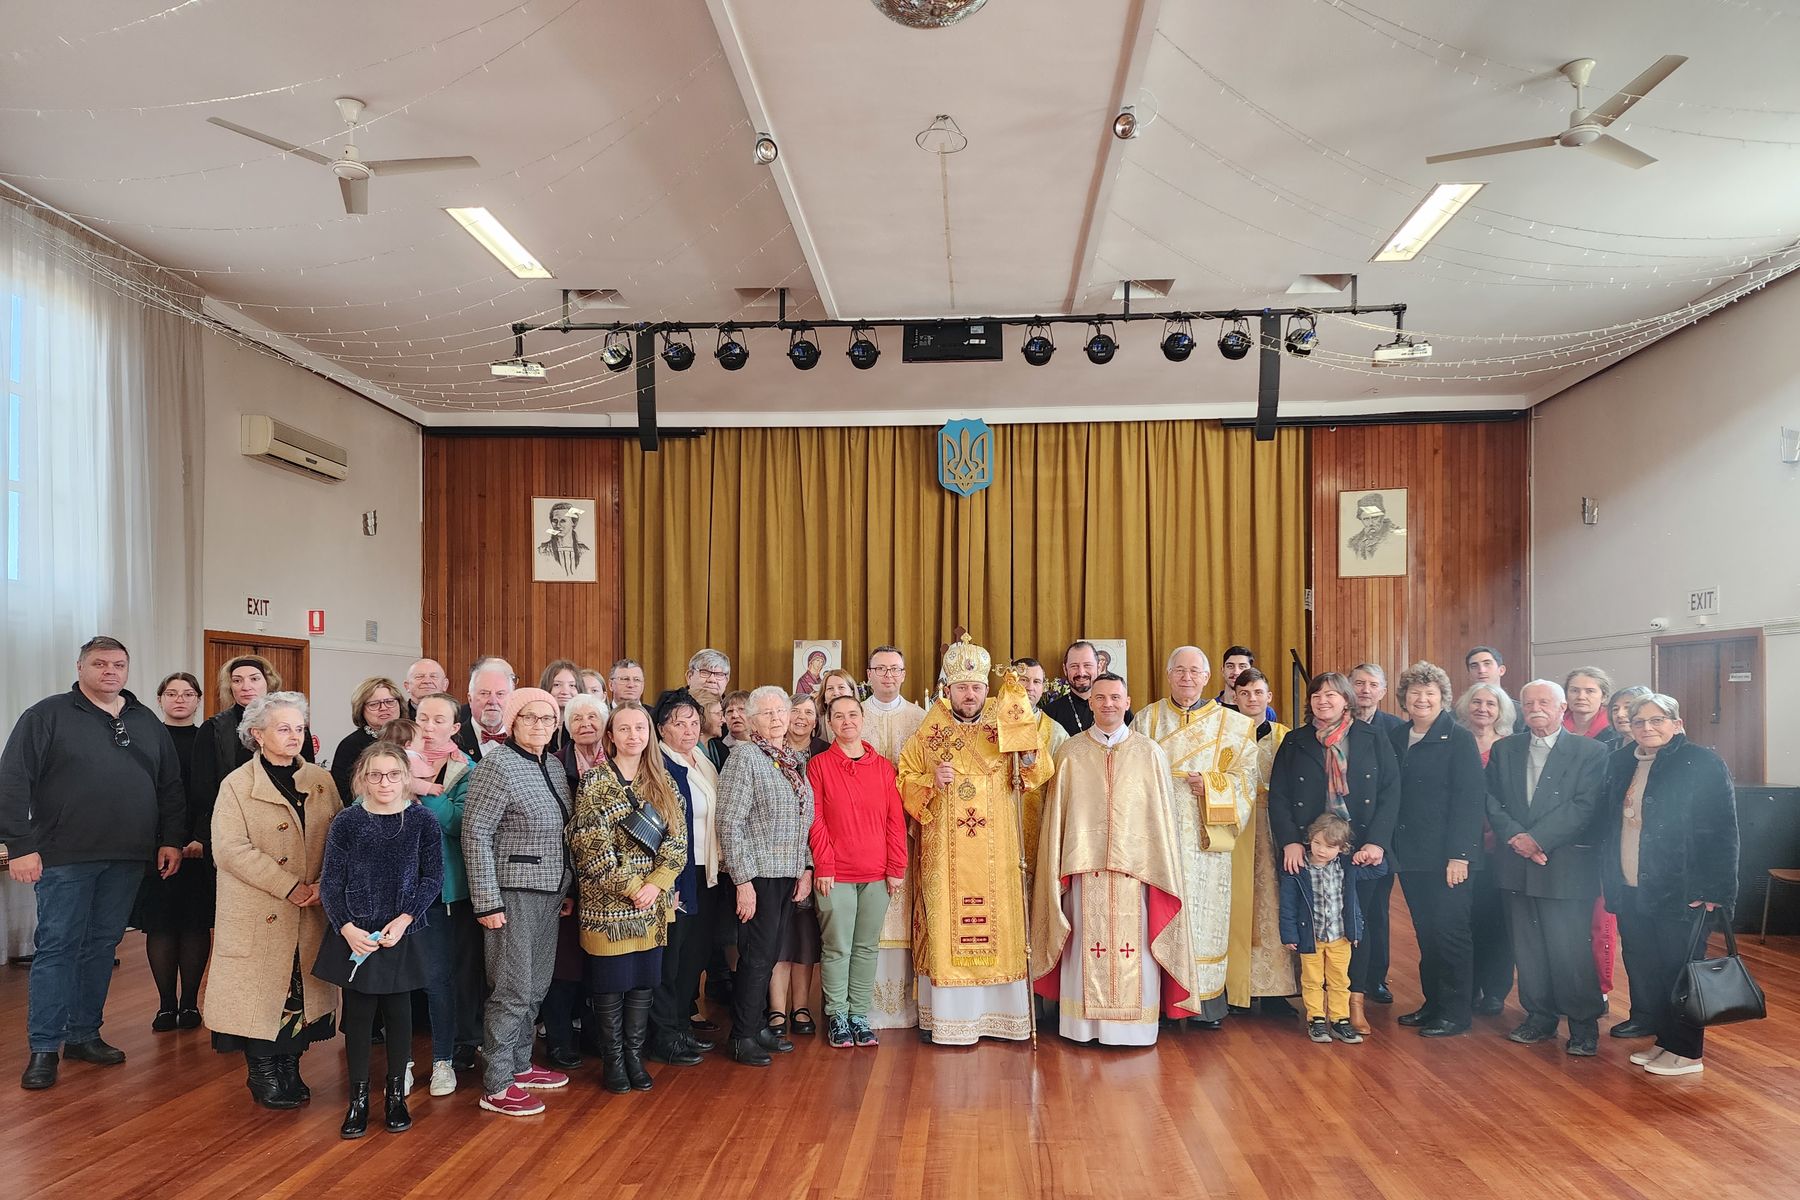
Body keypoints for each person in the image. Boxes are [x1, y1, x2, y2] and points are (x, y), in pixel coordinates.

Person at [3, 637, 186, 1091]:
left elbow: (170, 787)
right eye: (99, 663)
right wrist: (19, 845)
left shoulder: (145, 721)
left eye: (119, 664)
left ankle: (84, 1034)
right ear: (80, 667)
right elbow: (12, 779)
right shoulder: (47, 715)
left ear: (128, 670)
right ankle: (44, 1046)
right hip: (64, 856)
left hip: (127, 856)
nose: (110, 671)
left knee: (102, 948)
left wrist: (171, 840)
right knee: (58, 948)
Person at [897, 637, 1053, 1046]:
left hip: (998, 856)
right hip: (944, 857)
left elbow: (1036, 776)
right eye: (962, 687)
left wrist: (1031, 758)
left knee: (1001, 926)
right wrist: (930, 780)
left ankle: (1001, 1015)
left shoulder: (1007, 726)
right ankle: (952, 1021)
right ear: (948, 689)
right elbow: (904, 781)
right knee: (946, 927)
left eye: (978, 687)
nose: (970, 694)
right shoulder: (930, 733)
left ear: (988, 689)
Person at [1032, 674, 1198, 1044]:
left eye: (1116, 697)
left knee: (1134, 948)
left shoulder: (1149, 752)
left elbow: (1160, 822)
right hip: (1082, 870)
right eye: (1101, 697)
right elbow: (1058, 819)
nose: (1108, 703)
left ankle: (1135, 1029)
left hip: (1135, 873)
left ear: (1127, 702)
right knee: (1082, 946)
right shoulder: (1070, 752)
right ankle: (1081, 1027)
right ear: (1090, 703)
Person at [204, 692, 342, 1110]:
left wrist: (324, 884)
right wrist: (287, 885)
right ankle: (262, 1070)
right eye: (283, 729)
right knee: (262, 993)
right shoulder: (238, 785)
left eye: (299, 728)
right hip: (259, 906)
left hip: (309, 908)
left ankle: (290, 1066)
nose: (294, 736)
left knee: (301, 991)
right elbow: (229, 849)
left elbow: (340, 837)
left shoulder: (321, 781)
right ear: (257, 735)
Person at [1602, 694, 1739, 1077]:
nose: (1648, 728)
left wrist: (1715, 891)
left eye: (1657, 719)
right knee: (1649, 971)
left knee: (1680, 973)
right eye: (1639, 721)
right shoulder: (1619, 762)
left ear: (1676, 723)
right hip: (1631, 888)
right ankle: (1666, 1043)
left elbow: (1723, 832)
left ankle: (1688, 1053)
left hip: (1684, 893)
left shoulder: (1702, 762)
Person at [315, 743, 443, 1137]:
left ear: (405, 778)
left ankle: (394, 1098)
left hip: (400, 933)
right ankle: (357, 1100)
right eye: (375, 775)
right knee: (357, 1018)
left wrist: (406, 919)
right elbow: (331, 882)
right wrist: (347, 928)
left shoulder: (422, 822)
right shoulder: (347, 822)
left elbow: (431, 878)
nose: (384, 782)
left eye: (392, 774)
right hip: (357, 935)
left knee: (399, 1015)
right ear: (362, 779)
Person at [1132, 647, 1259, 1027]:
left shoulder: (1234, 725)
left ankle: (1205, 1005)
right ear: (1169, 675)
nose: (1187, 677)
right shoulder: (1146, 719)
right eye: (1180, 671)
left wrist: (1213, 787)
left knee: (1205, 923)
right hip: (1157, 836)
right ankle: (1160, 1000)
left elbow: (1247, 780)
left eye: (1195, 671)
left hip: (1206, 842)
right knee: (1157, 914)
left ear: (1208, 678)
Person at [462, 687, 574, 1116]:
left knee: (536, 987)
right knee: (512, 989)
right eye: (532, 718)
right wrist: (488, 902)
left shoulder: (553, 764)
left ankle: (520, 1064)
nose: (542, 726)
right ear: (512, 722)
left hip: (550, 893)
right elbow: (476, 834)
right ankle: (496, 1082)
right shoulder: (498, 766)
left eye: (549, 719)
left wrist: (565, 889)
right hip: (511, 895)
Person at [1268, 673, 1400, 1038]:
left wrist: (1377, 842)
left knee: (1358, 925)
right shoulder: (1295, 741)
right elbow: (1278, 796)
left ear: (1346, 699)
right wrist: (1291, 842)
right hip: (1313, 851)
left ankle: (1353, 1004)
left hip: (1359, 850)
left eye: (1331, 695)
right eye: (1316, 695)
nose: (1322, 701)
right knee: (1316, 926)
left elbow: (1391, 791)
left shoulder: (1372, 737)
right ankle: (1317, 1009)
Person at [1484, 680, 1608, 1057]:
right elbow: (1491, 800)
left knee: (1569, 949)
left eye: (1544, 702)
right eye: (1529, 702)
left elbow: (1585, 806)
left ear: (1561, 709)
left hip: (1563, 865)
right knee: (1529, 947)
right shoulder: (1505, 749)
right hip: (1516, 864)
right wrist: (1517, 838)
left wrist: (1537, 839)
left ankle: (1583, 1024)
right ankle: (1539, 1017)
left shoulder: (1591, 751)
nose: (1536, 707)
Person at [570, 702, 688, 1094]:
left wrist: (656, 884)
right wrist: (637, 888)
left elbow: (678, 843)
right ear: (611, 736)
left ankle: (635, 1057)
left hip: (652, 906)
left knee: (642, 984)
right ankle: (613, 1061)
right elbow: (592, 851)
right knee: (610, 985)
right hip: (608, 908)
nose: (633, 735)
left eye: (640, 728)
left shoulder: (663, 781)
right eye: (624, 729)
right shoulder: (595, 783)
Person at [716, 686, 815, 1066]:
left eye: (781, 712)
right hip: (755, 875)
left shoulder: (788, 759)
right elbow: (729, 823)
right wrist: (742, 881)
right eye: (767, 713)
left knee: (769, 955)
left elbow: (802, 820)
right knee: (756, 956)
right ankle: (741, 1036)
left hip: (786, 873)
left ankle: (757, 1026)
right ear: (753, 720)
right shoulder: (745, 758)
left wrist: (805, 866)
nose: (776, 719)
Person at [1387, 662, 1485, 1039]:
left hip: (1449, 858)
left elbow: (1470, 800)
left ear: (1442, 698)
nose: (1422, 699)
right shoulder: (1397, 737)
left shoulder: (1458, 738)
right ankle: (1434, 1004)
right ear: (1404, 699)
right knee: (1426, 933)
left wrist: (1460, 855)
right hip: (1411, 855)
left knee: (1451, 934)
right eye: (1415, 692)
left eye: (1430, 693)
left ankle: (1456, 1012)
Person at [805, 695, 907, 1048]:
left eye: (852, 715)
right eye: (839, 716)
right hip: (836, 874)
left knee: (866, 946)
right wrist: (825, 864)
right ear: (829, 723)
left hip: (877, 873)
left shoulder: (882, 767)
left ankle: (859, 1015)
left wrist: (896, 867)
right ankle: (837, 1015)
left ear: (863, 719)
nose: (847, 721)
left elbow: (896, 821)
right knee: (837, 947)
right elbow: (815, 820)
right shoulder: (818, 766)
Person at [410, 693, 484, 1095]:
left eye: (439, 719)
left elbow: (460, 822)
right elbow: (366, 801)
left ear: (456, 728)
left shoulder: (468, 769)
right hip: (400, 886)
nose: (428, 725)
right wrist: (407, 781)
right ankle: (410, 1055)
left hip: (449, 888)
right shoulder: (392, 761)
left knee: (452, 974)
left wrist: (419, 791)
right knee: (410, 974)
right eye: (423, 717)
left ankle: (455, 1051)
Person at [132, 671, 211, 1033]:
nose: (180, 699)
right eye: (172, 693)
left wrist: (198, 837)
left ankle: (191, 1003)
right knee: (161, 924)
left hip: (198, 847)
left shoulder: (207, 739)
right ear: (160, 699)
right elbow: (142, 792)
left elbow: (212, 794)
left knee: (194, 924)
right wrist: (164, 839)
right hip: (156, 844)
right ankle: (166, 1005)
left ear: (198, 699)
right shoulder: (146, 737)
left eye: (188, 693)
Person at [648, 693, 724, 1066]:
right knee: (670, 957)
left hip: (704, 871)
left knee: (693, 955)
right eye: (679, 723)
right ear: (661, 729)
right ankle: (664, 1034)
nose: (689, 730)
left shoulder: (703, 761)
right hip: (674, 873)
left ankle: (680, 1025)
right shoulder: (660, 764)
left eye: (694, 722)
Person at [858, 646, 928, 1030]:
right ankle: (862, 1006)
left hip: (907, 831)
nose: (887, 675)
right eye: (880, 669)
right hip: (863, 834)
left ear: (904, 674)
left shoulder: (920, 718)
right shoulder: (855, 716)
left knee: (904, 913)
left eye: (894, 669)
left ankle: (906, 1006)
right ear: (868, 674)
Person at [1280, 813, 1385, 1043]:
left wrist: (1366, 855)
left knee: (1340, 980)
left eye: (1329, 846)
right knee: (1312, 980)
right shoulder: (1298, 868)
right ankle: (1316, 1019)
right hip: (1311, 937)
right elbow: (1287, 904)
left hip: (1340, 937)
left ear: (1342, 848)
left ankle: (1340, 1019)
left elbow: (1379, 871)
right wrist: (1289, 934)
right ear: (1309, 839)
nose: (1321, 850)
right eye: (1317, 843)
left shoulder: (1348, 867)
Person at [1232, 668, 1298, 1014]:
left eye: (1258, 692)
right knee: (1238, 905)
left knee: (1274, 903)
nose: (1252, 699)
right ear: (1235, 696)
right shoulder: (1224, 733)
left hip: (1273, 827)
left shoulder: (1284, 736)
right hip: (1235, 829)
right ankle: (1237, 988)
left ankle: (1275, 991)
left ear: (1268, 697)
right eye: (1245, 693)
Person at [1453, 682, 1519, 1017]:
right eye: (1476, 702)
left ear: (1501, 710)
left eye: (1490, 704)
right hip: (1462, 845)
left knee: (1498, 921)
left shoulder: (1511, 746)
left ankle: (1495, 990)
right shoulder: (1455, 740)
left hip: (1499, 846)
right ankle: (1470, 986)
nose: (1482, 708)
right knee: (1467, 918)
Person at [189, 655, 316, 823]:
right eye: (237, 680)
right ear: (230, 686)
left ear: (268, 682)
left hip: (289, 817)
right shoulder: (213, 728)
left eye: (254, 678)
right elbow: (202, 789)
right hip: (230, 819)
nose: (246, 687)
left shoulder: (294, 724)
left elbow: (307, 774)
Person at [1562, 667, 1622, 1013]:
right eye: (1574, 690)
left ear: (1602, 697)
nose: (1581, 697)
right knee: (1565, 921)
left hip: (1599, 842)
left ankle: (1599, 988)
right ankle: (1566, 986)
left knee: (1601, 921)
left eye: (1590, 691)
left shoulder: (1614, 737)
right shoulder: (1552, 728)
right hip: (1560, 840)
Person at [1347, 662, 1403, 1005]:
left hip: (1381, 837)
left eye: (1372, 684)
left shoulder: (1395, 730)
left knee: (1377, 912)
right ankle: (1342, 978)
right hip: (1340, 836)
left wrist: (1380, 839)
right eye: (1358, 683)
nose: (1365, 690)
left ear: (1383, 691)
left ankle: (1376, 978)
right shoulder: (1334, 726)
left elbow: (1393, 788)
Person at [330, 677, 406, 804]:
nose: (383, 708)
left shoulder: (415, 734)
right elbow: (342, 792)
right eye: (374, 704)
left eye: (389, 701)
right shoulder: (349, 745)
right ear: (361, 709)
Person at [1040, 640, 1131, 735]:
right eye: (1074, 666)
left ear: (1099, 667)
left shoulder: (1118, 709)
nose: (1081, 673)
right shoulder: (1049, 714)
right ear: (1065, 669)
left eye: (1087, 665)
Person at [456, 664, 517, 762]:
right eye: (484, 693)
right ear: (470, 699)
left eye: (500, 694)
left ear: (511, 699)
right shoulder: (453, 739)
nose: (493, 701)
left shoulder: (523, 738)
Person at [1465, 647, 1521, 735]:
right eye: (1474, 666)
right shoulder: (1457, 714)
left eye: (1487, 664)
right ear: (1469, 674)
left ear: (1501, 670)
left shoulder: (1521, 712)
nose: (1481, 670)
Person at [1215, 646, 1278, 722]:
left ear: (1251, 670)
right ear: (1223, 670)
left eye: (1242, 666)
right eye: (1230, 666)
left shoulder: (1266, 712)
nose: (1236, 672)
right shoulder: (1210, 709)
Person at [539, 659, 584, 755]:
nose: (565, 691)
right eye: (557, 685)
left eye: (572, 685)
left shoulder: (586, 726)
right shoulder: (537, 725)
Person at [537, 501, 589, 576]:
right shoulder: (541, 551)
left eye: (563, 521)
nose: (558, 525)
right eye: (555, 521)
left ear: (573, 523)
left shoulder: (585, 552)